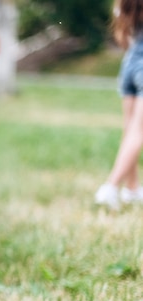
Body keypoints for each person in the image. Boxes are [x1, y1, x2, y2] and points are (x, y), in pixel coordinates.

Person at [94, 0, 143, 210]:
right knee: (138, 131)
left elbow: (123, 36)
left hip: (130, 63)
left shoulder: (124, 3)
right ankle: (110, 187)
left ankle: (131, 190)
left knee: (130, 130)